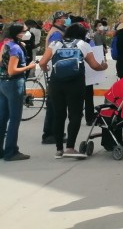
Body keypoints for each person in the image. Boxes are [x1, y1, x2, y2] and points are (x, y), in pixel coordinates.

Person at [38, 23, 108, 159]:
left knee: (59, 116)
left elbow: (42, 63)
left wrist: (48, 70)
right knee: (75, 115)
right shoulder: (83, 44)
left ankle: (59, 149)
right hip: (75, 84)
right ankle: (70, 148)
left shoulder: (55, 44)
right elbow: (94, 66)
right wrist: (103, 66)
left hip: (56, 84)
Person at [0, 23, 38, 161]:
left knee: (3, 118)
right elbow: (12, 70)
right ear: (18, 33)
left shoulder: (6, 44)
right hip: (14, 83)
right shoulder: (15, 48)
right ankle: (11, 151)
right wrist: (29, 66)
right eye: (25, 31)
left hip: (3, 83)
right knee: (14, 119)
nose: (27, 32)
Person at [41, 10, 67, 145]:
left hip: (55, 70)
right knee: (53, 105)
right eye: (64, 18)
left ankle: (54, 131)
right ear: (58, 20)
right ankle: (49, 133)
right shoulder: (56, 34)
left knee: (55, 104)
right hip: (55, 71)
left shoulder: (58, 31)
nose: (66, 20)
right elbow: (55, 52)